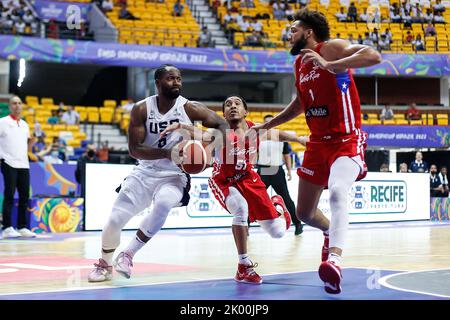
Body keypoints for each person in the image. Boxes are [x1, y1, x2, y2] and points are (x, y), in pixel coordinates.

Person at [253, 9, 381, 294]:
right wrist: (267, 125)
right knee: (305, 213)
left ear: (308, 32)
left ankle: (334, 260)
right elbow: (299, 105)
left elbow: (374, 56)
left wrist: (333, 64)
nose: (289, 34)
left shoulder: (331, 48)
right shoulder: (299, 63)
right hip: (317, 143)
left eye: (293, 29)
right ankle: (328, 232)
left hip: (346, 139)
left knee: (337, 191)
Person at [87, 65, 229, 282]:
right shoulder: (142, 109)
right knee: (114, 221)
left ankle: (128, 254)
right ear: (158, 82)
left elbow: (223, 126)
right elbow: (135, 150)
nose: (177, 83)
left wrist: (207, 151)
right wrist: (167, 152)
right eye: (171, 78)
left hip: (174, 175)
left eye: (179, 79)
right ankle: (104, 264)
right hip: (144, 172)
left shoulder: (190, 108)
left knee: (164, 203)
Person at [163, 95, 305, 284]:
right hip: (224, 180)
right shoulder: (219, 132)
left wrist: (300, 139)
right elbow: (200, 134)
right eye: (228, 104)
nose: (232, 106)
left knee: (278, 232)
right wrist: (181, 126)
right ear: (223, 114)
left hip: (249, 179)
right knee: (240, 209)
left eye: (237, 103)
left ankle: (279, 206)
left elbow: (278, 134)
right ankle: (243, 266)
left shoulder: (256, 130)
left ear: (245, 111)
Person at [257, 114, 304, 235]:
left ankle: (298, 224)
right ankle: (245, 224)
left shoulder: (281, 137)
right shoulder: (259, 137)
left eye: (271, 122)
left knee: (286, 198)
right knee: (255, 198)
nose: (269, 124)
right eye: (266, 122)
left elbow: (286, 154)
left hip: (277, 170)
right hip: (263, 170)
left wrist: (289, 170)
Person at [0, 96, 36, 238]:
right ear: (9, 106)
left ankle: (21, 227)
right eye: (14, 103)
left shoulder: (25, 125)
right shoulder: (3, 122)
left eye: (19, 103)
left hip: (23, 163)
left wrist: (32, 142)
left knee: (24, 196)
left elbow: (27, 147)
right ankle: (7, 227)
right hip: (8, 161)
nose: (17, 106)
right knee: (9, 194)